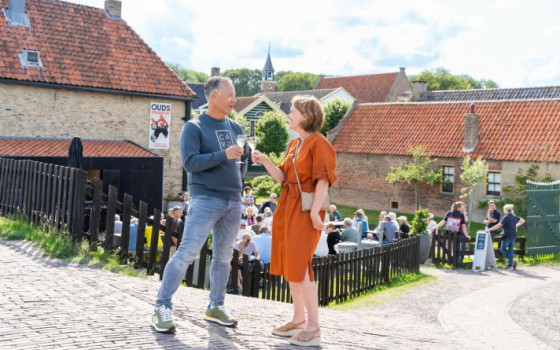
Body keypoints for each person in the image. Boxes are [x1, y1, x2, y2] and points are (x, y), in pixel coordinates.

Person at [151, 76, 249, 333]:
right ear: (213, 96)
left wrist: (239, 179)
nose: (234, 99)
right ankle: (162, 307)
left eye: (234, 95)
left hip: (233, 200)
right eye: (229, 94)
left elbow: (242, 161)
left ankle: (215, 306)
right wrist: (223, 155)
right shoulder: (193, 127)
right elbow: (190, 163)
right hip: (205, 198)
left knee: (223, 258)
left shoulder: (237, 129)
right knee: (187, 254)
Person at [252, 95, 336, 347]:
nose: (288, 114)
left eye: (293, 110)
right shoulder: (293, 144)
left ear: (306, 116)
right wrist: (265, 160)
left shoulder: (319, 143)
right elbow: (281, 178)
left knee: (301, 266)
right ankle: (298, 319)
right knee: (292, 265)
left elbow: (323, 180)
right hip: (288, 208)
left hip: (305, 210)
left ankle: (313, 326)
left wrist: (313, 213)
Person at [485, 204, 525, 270]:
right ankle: (510, 265)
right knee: (510, 250)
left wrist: (489, 229)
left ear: (505, 210)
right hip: (513, 236)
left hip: (507, 236)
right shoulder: (514, 216)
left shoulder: (506, 217)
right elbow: (523, 220)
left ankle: (512, 261)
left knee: (502, 249)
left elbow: (498, 225)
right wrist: (516, 225)